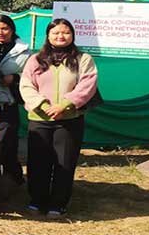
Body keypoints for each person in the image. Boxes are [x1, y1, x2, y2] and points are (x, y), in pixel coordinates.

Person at [20, 18, 97, 217]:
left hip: (69, 120)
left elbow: (87, 85)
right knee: (38, 162)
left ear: (72, 35)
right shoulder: (35, 59)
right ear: (48, 36)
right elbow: (26, 85)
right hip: (39, 119)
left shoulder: (83, 59)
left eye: (65, 32)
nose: (60, 36)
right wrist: (43, 106)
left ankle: (58, 203)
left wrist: (64, 105)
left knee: (64, 162)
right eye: (55, 33)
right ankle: (37, 200)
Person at [0, 14, 29, 184]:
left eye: (4, 28)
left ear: (12, 29)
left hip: (9, 103)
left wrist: (15, 78)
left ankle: (13, 178)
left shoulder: (25, 51)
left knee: (9, 142)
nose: (0, 32)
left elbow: (32, 75)